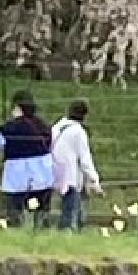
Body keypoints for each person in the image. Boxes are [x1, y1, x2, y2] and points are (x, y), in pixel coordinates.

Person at [0, 93, 54, 225]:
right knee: (41, 214)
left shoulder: (6, 128)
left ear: (17, 108)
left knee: (14, 213)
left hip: (16, 178)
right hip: (43, 176)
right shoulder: (44, 126)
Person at [50, 99, 101, 230]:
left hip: (54, 172)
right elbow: (85, 159)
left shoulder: (56, 128)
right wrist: (94, 179)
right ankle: (67, 233)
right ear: (85, 115)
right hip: (71, 176)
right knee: (70, 211)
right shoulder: (78, 131)